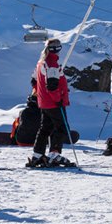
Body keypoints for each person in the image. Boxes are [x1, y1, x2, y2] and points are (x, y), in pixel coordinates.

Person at [28, 38, 75, 168]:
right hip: (54, 103)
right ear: (58, 49)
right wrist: (58, 98)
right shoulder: (52, 64)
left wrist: (40, 93)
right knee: (61, 128)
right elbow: (52, 86)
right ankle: (54, 154)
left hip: (43, 102)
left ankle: (37, 155)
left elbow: (34, 80)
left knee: (45, 128)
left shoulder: (41, 62)